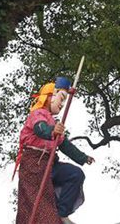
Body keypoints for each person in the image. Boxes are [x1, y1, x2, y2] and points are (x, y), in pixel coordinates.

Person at [15, 76, 95, 224]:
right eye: (61, 98)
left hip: (50, 164)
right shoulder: (37, 114)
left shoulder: (55, 122)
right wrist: (52, 131)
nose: (63, 104)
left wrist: (83, 157)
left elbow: (64, 145)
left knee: (75, 174)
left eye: (65, 100)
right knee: (38, 207)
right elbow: (40, 129)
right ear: (50, 96)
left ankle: (62, 212)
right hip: (34, 166)